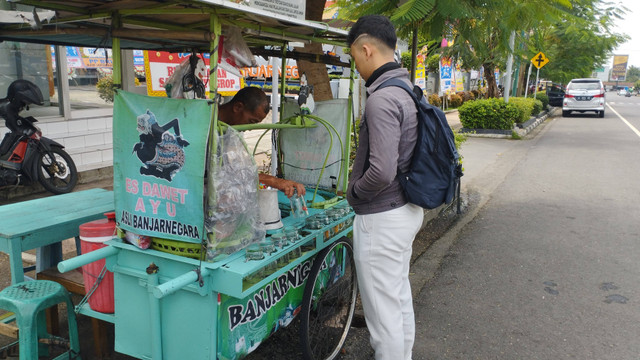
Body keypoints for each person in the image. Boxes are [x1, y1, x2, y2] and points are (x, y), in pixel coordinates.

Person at [346, 15, 424, 360]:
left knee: (383, 316)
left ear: (366, 50)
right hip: (406, 209)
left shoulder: (381, 99)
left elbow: (380, 171)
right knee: (397, 299)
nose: (357, 68)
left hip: (382, 217)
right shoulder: (408, 90)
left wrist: (354, 194)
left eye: (354, 59)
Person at [218, 86, 305, 198]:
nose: (248, 128)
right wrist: (272, 181)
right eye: (251, 121)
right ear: (237, 107)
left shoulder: (227, 130)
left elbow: (230, 171)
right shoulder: (208, 126)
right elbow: (219, 175)